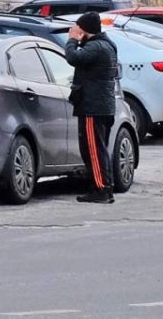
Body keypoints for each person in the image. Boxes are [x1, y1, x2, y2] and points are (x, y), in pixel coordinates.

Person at [64, 11, 121, 204]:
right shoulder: (106, 44)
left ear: (84, 29)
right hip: (102, 105)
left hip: (93, 107)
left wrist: (72, 39)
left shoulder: (96, 47)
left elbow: (73, 58)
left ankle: (101, 189)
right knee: (98, 149)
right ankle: (104, 187)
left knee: (93, 150)